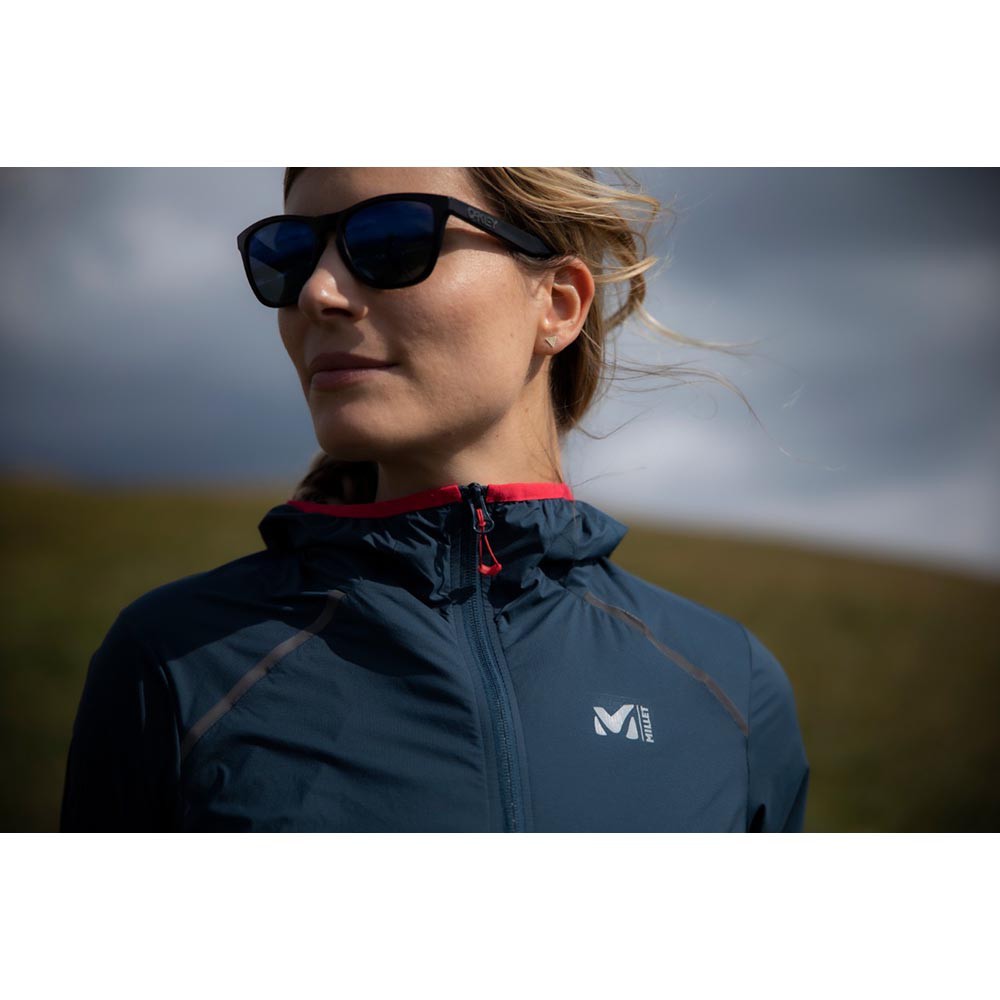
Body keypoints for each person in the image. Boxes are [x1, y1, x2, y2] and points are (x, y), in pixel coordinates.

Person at [60, 167, 809, 832]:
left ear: (557, 304)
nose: (318, 292)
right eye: (289, 255)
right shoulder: (176, 660)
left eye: (390, 239)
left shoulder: (729, 687)